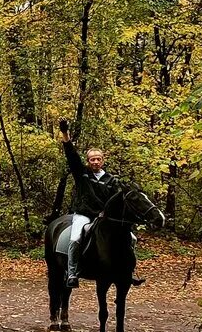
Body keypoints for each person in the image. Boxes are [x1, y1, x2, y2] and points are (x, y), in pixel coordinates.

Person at [58, 119, 144, 288]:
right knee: (75, 239)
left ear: (103, 160)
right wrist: (65, 135)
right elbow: (72, 156)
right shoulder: (82, 174)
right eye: (92, 159)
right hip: (83, 215)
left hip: (104, 217)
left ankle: (129, 271)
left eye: (98, 159)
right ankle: (72, 272)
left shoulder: (112, 180)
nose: (95, 162)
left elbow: (116, 202)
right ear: (88, 161)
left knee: (131, 238)